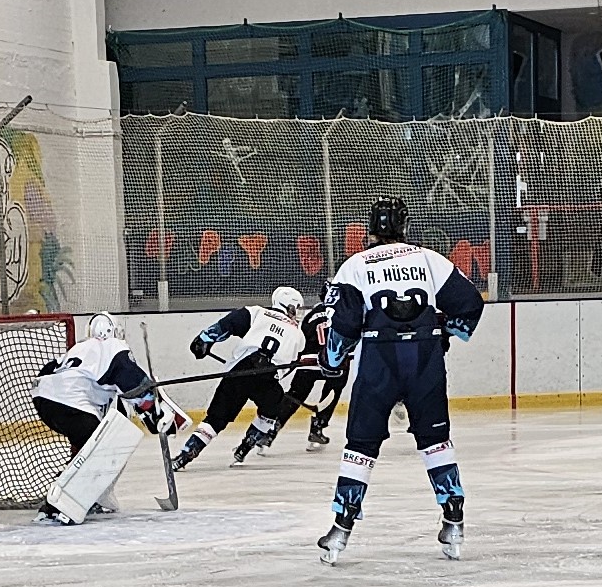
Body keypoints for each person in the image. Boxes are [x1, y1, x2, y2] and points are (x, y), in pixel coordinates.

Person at [317, 196, 488, 563]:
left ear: (370, 229)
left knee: (360, 445)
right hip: (424, 358)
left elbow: (344, 327)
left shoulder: (355, 265)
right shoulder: (427, 258)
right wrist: (445, 333)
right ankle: (453, 518)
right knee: (435, 441)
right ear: (404, 226)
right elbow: (470, 303)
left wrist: (330, 363)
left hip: (379, 360)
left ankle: (341, 528)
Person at [29, 312, 183, 526]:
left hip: (44, 401)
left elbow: (122, 394)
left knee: (90, 444)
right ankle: (57, 506)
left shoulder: (81, 348)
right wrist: (152, 408)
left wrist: (149, 412)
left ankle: (87, 495)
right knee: (103, 448)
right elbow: (130, 377)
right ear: (114, 330)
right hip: (72, 402)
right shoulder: (113, 347)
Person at [172, 284, 310, 470]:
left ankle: (186, 454)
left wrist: (204, 339)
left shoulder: (257, 313)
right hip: (268, 376)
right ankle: (246, 445)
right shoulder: (299, 336)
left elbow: (226, 325)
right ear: (290, 307)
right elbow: (288, 368)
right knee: (271, 410)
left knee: (215, 419)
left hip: (240, 370)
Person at [294, 294, 345, 448]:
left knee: (295, 393)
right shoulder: (342, 312)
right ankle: (318, 427)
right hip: (332, 361)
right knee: (334, 389)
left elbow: (301, 335)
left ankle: (271, 429)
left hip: (309, 360)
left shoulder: (311, 313)